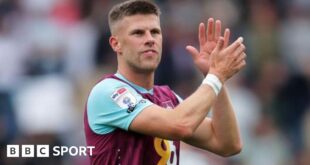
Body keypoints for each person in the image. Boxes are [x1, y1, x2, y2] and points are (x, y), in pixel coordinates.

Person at [84, 0, 246, 164]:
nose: (150, 39)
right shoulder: (108, 92)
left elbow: (228, 144)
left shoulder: (168, 98)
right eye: (138, 33)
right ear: (116, 44)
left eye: (155, 32)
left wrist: (212, 72)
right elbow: (180, 126)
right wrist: (216, 76)